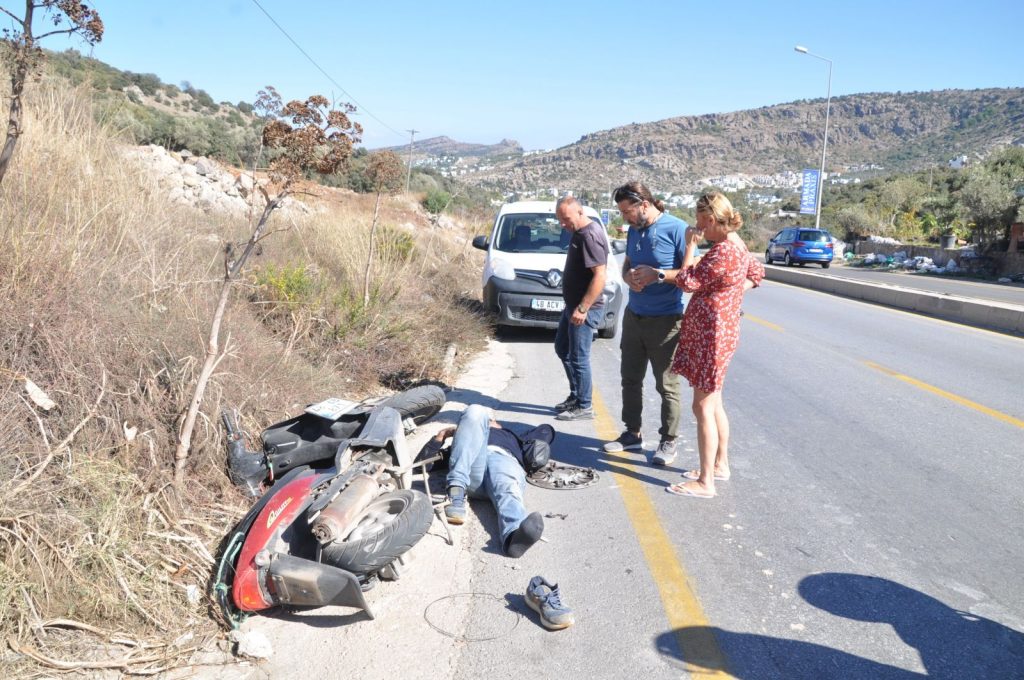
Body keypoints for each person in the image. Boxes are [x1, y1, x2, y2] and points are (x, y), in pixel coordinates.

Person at [664, 192, 764, 499]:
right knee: (715, 401)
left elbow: (686, 281)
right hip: (721, 330)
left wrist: (690, 247)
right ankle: (720, 465)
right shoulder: (736, 245)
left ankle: (706, 481)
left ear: (709, 220)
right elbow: (756, 274)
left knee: (702, 406)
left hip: (713, 335)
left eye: (699, 223)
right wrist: (730, 295)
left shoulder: (722, 253)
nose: (698, 228)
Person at [604, 181, 688, 465]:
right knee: (630, 378)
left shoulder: (677, 229)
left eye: (627, 211)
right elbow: (627, 264)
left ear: (644, 204)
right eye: (622, 212)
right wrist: (628, 277)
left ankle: (668, 441)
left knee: (667, 385)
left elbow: (692, 275)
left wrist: (659, 275)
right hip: (634, 316)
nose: (624, 217)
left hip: (666, 320)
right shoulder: (634, 231)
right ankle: (632, 433)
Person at [417, 405, 548, 557]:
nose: (485, 422)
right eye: (482, 421)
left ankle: (514, 537)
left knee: (507, 486)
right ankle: (456, 492)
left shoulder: (511, 437)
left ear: (498, 423)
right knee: (475, 410)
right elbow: (421, 466)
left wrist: (528, 441)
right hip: (471, 472)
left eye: (490, 420)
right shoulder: (463, 444)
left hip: (504, 459)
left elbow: (546, 430)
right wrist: (441, 436)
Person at [552, 195, 608, 421]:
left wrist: (583, 308)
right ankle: (577, 396)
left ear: (579, 212)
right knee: (562, 349)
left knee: (578, 357)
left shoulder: (590, 236)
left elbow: (600, 276)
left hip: (585, 309)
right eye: (560, 220)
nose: (563, 224)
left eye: (565, 219)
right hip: (573, 306)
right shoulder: (578, 233)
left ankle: (584, 405)